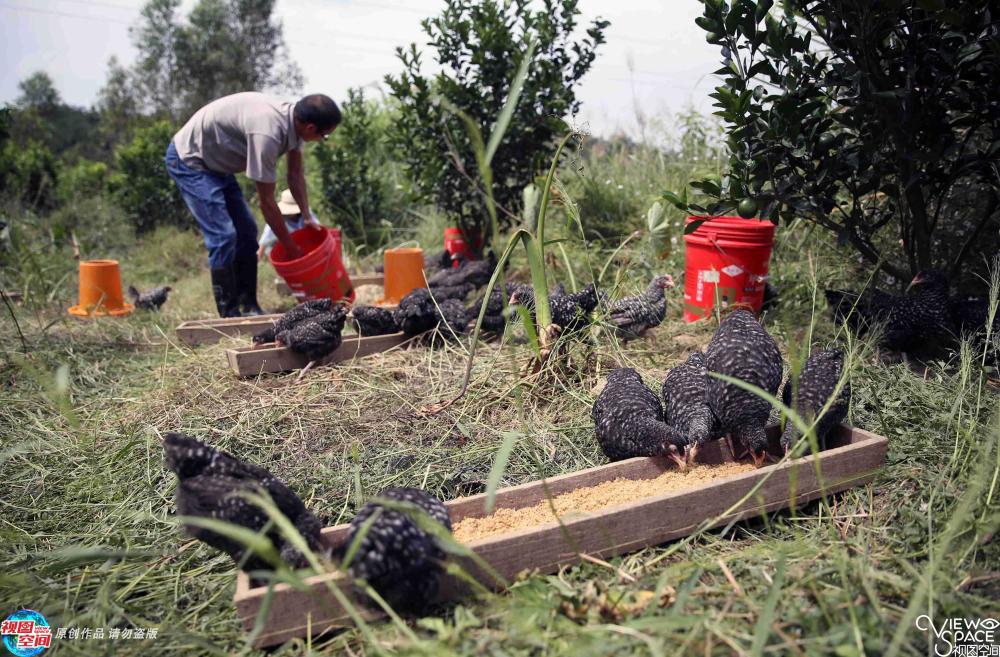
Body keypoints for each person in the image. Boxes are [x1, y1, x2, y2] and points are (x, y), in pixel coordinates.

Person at [165, 92, 340, 317]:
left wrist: (306, 215)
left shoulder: (295, 122)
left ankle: (249, 306)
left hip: (218, 164)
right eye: (324, 136)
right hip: (191, 160)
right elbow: (267, 203)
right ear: (310, 128)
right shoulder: (267, 133)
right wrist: (291, 247)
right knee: (224, 236)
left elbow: (295, 175)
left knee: (247, 231)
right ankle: (229, 315)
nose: (321, 140)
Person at [256, 189, 316, 260]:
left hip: (308, 247)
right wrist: (255, 262)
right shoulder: (276, 219)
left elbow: (318, 229)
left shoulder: (307, 213)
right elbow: (264, 242)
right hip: (287, 253)